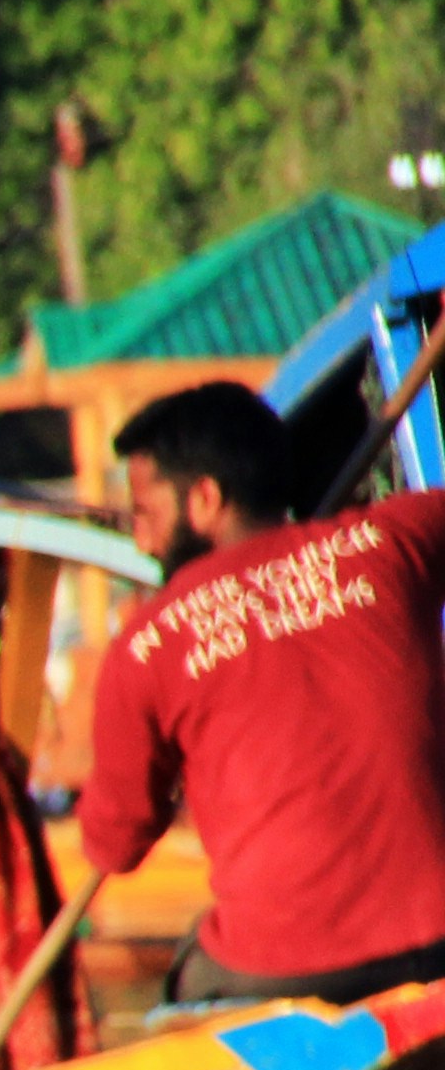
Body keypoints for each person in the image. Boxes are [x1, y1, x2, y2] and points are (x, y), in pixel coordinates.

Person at [83, 379, 445, 1008]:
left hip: (288, 967)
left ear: (204, 498)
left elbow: (114, 845)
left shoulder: (144, 647)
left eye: (145, 512)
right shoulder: (393, 540)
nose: (140, 540)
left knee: (186, 980)